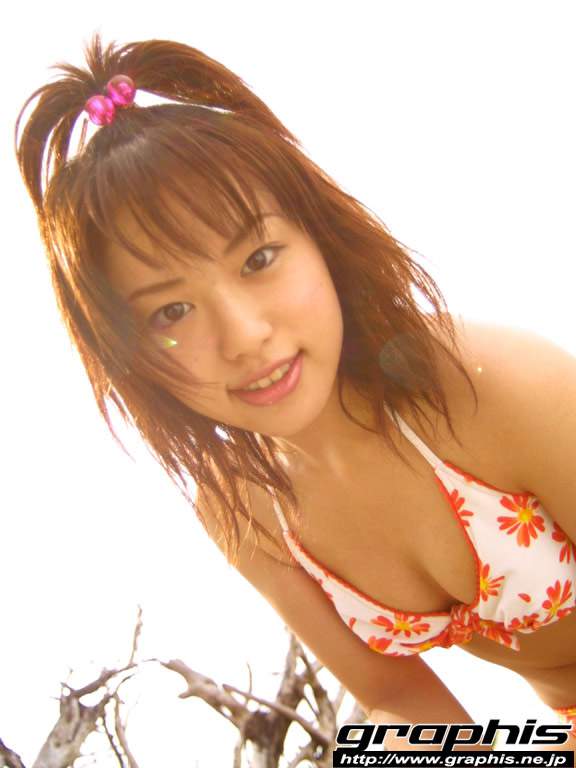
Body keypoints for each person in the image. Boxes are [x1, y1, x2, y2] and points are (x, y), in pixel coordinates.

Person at [14, 32, 576, 752]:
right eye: (171, 311)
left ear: (321, 237)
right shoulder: (246, 510)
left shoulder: (487, 383)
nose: (245, 335)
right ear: (130, 357)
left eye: (259, 258)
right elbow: (399, 699)